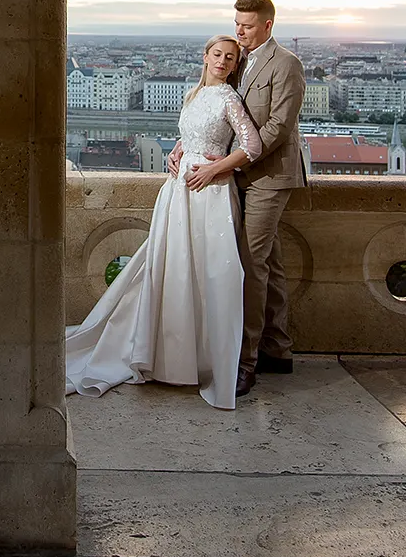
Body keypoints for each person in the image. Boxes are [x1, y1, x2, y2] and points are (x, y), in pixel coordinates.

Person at [64, 35, 263, 410]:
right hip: (179, 189)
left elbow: (251, 146)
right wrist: (177, 150)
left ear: (235, 65)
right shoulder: (194, 94)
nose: (222, 61)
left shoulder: (229, 98)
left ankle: (195, 360)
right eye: (217, 54)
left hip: (209, 193)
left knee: (207, 272)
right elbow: (191, 134)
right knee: (175, 269)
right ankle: (170, 356)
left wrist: (213, 170)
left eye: (230, 58)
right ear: (205, 57)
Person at [167, 0, 307, 396]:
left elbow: (278, 126)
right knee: (271, 264)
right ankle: (278, 349)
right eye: (236, 24)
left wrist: (229, 161)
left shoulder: (287, 64)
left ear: (267, 25)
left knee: (248, 263)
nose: (239, 32)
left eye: (246, 26)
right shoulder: (239, 60)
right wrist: (186, 148)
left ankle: (244, 362)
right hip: (238, 175)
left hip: (268, 176)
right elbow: (211, 115)